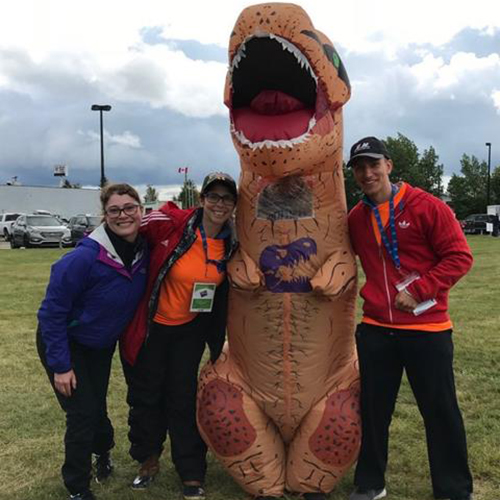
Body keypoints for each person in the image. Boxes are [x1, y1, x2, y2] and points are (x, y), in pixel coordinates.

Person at [346, 137, 474, 500]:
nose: (367, 173)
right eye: (359, 168)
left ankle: (453, 490)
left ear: (389, 165)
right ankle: (370, 483)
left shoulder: (427, 206)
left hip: (426, 328)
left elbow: (459, 257)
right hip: (375, 329)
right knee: (373, 412)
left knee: (440, 411)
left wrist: (419, 290)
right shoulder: (356, 217)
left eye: (373, 165)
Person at [120, 172, 238, 500]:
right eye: (212, 196)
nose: (219, 203)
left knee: (183, 399)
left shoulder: (233, 243)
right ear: (201, 200)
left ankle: (191, 472)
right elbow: (128, 226)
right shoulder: (173, 223)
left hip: (190, 330)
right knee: (146, 396)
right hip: (153, 326)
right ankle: (147, 459)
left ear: (233, 206)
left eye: (226, 198)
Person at [37, 183, 148, 500]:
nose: (123, 215)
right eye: (114, 210)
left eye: (129, 208)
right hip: (64, 341)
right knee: (82, 412)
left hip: (99, 345)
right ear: (105, 215)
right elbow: (51, 313)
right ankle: (77, 487)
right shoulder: (83, 258)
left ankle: (103, 452)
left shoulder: (143, 251)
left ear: (140, 210)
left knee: (95, 407)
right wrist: (61, 365)